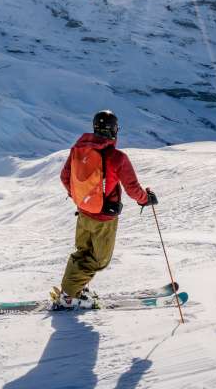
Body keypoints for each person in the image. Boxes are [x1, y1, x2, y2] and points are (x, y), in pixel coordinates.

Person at [53, 110, 158, 309]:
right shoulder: (117, 157)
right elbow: (133, 189)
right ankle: (68, 295)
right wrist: (146, 200)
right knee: (98, 260)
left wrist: (81, 197)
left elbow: (65, 177)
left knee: (83, 252)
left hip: (83, 212)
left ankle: (77, 289)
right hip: (103, 218)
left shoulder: (78, 149)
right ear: (114, 130)